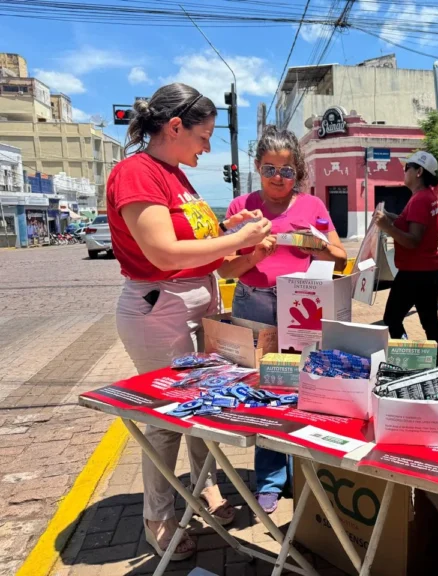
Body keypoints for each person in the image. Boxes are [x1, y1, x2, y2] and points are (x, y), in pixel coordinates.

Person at [107, 83, 273, 561]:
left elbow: (211, 257)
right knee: (166, 419)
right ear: (174, 127)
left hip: (197, 304)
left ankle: (205, 490)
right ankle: (157, 518)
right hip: (161, 308)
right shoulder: (137, 173)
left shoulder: (176, 176)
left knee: (208, 403)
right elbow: (162, 251)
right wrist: (235, 237)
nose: (207, 146)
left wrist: (246, 246)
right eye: (204, 136)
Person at [218, 125, 347, 514]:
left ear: (298, 173)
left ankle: (303, 471)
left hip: (302, 305)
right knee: (264, 391)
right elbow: (226, 269)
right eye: (270, 169)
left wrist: (316, 245)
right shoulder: (242, 208)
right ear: (257, 167)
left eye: (287, 170)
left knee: (305, 388)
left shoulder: (313, 208)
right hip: (253, 304)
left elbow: (339, 256)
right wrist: (255, 253)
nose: (278, 177)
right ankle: (271, 478)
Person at [373, 151, 438, 366]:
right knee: (430, 322)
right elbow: (410, 223)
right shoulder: (426, 197)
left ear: (419, 171)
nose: (404, 172)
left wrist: (386, 226)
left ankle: (408, 361)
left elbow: (413, 240)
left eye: (407, 168)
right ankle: (436, 366)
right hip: (428, 270)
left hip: (416, 272)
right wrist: (391, 219)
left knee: (392, 319)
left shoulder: (420, 199)